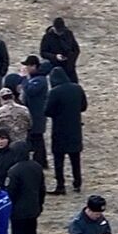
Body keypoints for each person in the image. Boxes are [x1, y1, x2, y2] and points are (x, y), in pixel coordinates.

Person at [45, 66, 88, 194]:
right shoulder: (77, 88)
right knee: (75, 159)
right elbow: (84, 106)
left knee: (59, 160)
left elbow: (47, 111)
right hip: (75, 129)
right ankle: (77, 183)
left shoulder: (55, 92)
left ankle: (60, 185)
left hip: (59, 130)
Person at [5, 150, 47, 234]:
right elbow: (42, 188)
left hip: (18, 210)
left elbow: (11, 192)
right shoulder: (36, 167)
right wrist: (40, 204)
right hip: (33, 208)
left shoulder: (14, 170)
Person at [19, 56, 50, 168]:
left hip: (37, 115)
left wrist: (23, 79)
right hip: (33, 114)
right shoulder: (35, 78)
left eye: (27, 65)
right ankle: (41, 161)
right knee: (35, 138)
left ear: (34, 66)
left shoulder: (40, 80)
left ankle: (40, 162)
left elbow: (30, 91)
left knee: (37, 139)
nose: (26, 68)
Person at [40, 17, 82, 84]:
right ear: (53, 28)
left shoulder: (68, 34)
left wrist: (71, 60)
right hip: (55, 68)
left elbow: (76, 50)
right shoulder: (47, 37)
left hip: (69, 67)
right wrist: (55, 56)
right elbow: (43, 52)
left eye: (61, 31)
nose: (60, 33)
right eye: (58, 31)